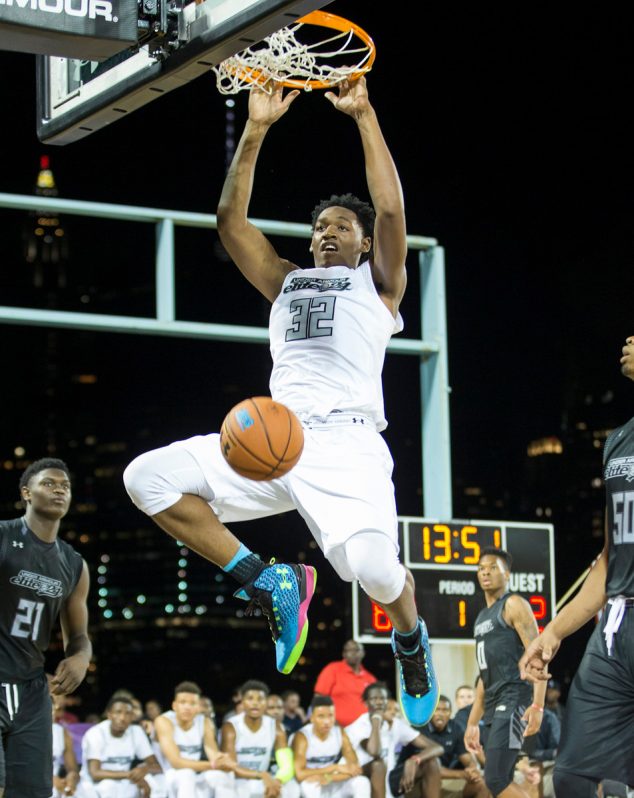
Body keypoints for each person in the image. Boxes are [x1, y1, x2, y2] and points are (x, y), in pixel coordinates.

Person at [122, 74, 438, 726]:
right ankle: (271, 583)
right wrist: (257, 128)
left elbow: (394, 212)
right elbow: (229, 222)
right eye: (320, 225)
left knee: (374, 571)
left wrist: (364, 114)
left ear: (360, 242)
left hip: (347, 444)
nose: (327, 232)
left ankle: (410, 639)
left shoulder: (377, 286)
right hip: (277, 439)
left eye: (342, 226)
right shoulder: (286, 283)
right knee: (146, 480)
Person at [518, 335, 634, 797]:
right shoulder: (619, 441)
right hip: (617, 629)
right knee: (571, 776)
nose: (627, 340)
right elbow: (609, 558)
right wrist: (553, 632)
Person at [0, 457, 92, 798]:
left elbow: (79, 636)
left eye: (65, 486)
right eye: (48, 484)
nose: (58, 490)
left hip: (32, 692)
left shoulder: (74, 564)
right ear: (26, 492)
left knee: (33, 793)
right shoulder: (3, 537)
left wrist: (81, 658)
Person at [464, 547, 545, 798]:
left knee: (495, 779)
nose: (485, 572)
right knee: (503, 778)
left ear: (507, 574)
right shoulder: (480, 618)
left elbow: (539, 657)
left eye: (492, 567)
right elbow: (484, 677)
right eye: (481, 568)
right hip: (492, 703)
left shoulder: (513, 604)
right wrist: (471, 722)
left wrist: (538, 706)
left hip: (513, 699)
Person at [345, 682, 442, 798]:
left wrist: (414, 760)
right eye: (374, 699)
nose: (379, 702)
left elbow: (437, 747)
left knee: (432, 762)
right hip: (364, 780)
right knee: (378, 765)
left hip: (389, 779)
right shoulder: (358, 726)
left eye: (383, 698)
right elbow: (375, 752)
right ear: (366, 703)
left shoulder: (395, 724)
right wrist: (376, 721)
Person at [154, 681, 235, 798]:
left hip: (195, 774)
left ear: (198, 707)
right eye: (183, 702)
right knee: (187, 774)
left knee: (223, 776)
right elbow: (176, 762)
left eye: (192, 703)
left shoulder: (205, 722)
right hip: (168, 776)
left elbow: (213, 755)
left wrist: (223, 761)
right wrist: (213, 765)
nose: (187, 707)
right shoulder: (163, 721)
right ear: (174, 705)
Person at [220, 679, 297, 798]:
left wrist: (277, 781)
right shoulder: (230, 727)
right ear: (243, 702)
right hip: (237, 779)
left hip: (261, 778)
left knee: (292, 788)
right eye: (250, 699)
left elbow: (287, 765)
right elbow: (231, 767)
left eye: (260, 699)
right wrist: (261, 775)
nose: (255, 703)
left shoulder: (276, 727)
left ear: (266, 702)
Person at [78, 695, 165, 798]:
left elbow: (157, 766)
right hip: (94, 784)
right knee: (109, 786)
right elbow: (95, 773)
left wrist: (144, 770)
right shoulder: (95, 733)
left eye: (127, 713)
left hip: (124, 781)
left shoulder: (136, 731)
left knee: (158, 780)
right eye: (118, 712)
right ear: (109, 714)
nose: (122, 718)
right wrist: (129, 774)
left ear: (132, 716)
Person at [292, 695, 370, 798]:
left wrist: (329, 777)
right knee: (311, 786)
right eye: (321, 716)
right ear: (312, 718)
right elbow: (300, 775)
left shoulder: (340, 733)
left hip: (332, 780)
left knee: (362, 782)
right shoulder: (302, 737)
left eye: (330, 715)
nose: (327, 721)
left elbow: (354, 769)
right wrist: (334, 767)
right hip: (311, 783)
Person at [422, 695, 487, 798]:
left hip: (448, 779)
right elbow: (427, 768)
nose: (441, 714)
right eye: (437, 710)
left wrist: (472, 770)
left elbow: (467, 759)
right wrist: (462, 774)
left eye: (445, 710)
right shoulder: (420, 729)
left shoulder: (456, 728)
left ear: (450, 712)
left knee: (482, 783)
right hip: (422, 781)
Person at [314, 640, 377, 728]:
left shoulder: (370, 678)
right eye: (349, 650)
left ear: (363, 653)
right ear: (344, 654)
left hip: (364, 730)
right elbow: (319, 698)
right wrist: (329, 720)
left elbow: (375, 704)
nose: (353, 653)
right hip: (336, 728)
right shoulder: (332, 669)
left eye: (356, 650)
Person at [52, 697, 80, 797]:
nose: (54, 711)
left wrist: (72, 777)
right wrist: (50, 779)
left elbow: (72, 768)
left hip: (56, 784)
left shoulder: (62, 732)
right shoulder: (25, 730)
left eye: (58, 709)